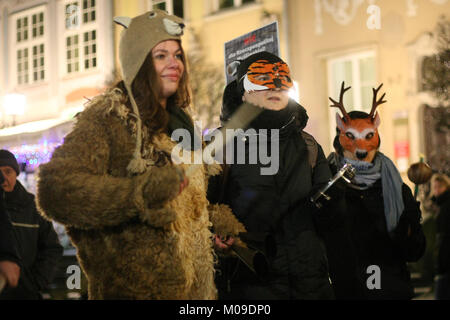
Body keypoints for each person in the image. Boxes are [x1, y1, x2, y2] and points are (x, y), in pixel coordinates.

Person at [35, 9, 244, 300]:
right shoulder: (110, 117)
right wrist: (137, 195)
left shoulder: (181, 123)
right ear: (138, 62)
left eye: (177, 55)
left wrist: (213, 226)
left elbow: (181, 202)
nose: (175, 64)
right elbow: (54, 189)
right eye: (161, 55)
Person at [208, 51, 346, 300]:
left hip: (310, 287)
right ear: (243, 91)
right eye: (262, 78)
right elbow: (196, 214)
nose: (275, 85)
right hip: (250, 289)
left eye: (282, 77)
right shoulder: (220, 147)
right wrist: (215, 241)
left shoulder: (308, 146)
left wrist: (331, 204)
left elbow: (332, 225)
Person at [326, 82, 426, 299]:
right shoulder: (326, 184)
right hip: (346, 292)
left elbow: (416, 251)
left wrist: (407, 230)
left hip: (391, 291)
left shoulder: (395, 186)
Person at [0, 149, 62, 300]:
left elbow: (51, 247)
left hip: (26, 293)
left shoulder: (33, 208)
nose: (3, 179)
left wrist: (36, 282)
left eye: (8, 172)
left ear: (16, 174)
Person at [431, 173, 450, 300]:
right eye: (435, 187)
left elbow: (445, 236)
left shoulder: (446, 206)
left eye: (440, 187)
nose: (437, 190)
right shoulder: (441, 205)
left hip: (446, 260)